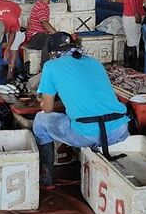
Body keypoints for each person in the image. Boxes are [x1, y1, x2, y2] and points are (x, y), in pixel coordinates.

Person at [33, 33, 129, 188]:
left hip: (86, 133)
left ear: (52, 53)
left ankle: (46, 178)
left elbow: (48, 108)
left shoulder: (51, 66)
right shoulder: (95, 62)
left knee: (40, 120)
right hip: (119, 129)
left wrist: (42, 102)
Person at [26, 0, 57, 66]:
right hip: (34, 37)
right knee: (49, 39)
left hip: (38, 36)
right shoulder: (41, 7)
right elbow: (45, 23)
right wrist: (57, 34)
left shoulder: (40, 4)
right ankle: (44, 66)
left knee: (50, 39)